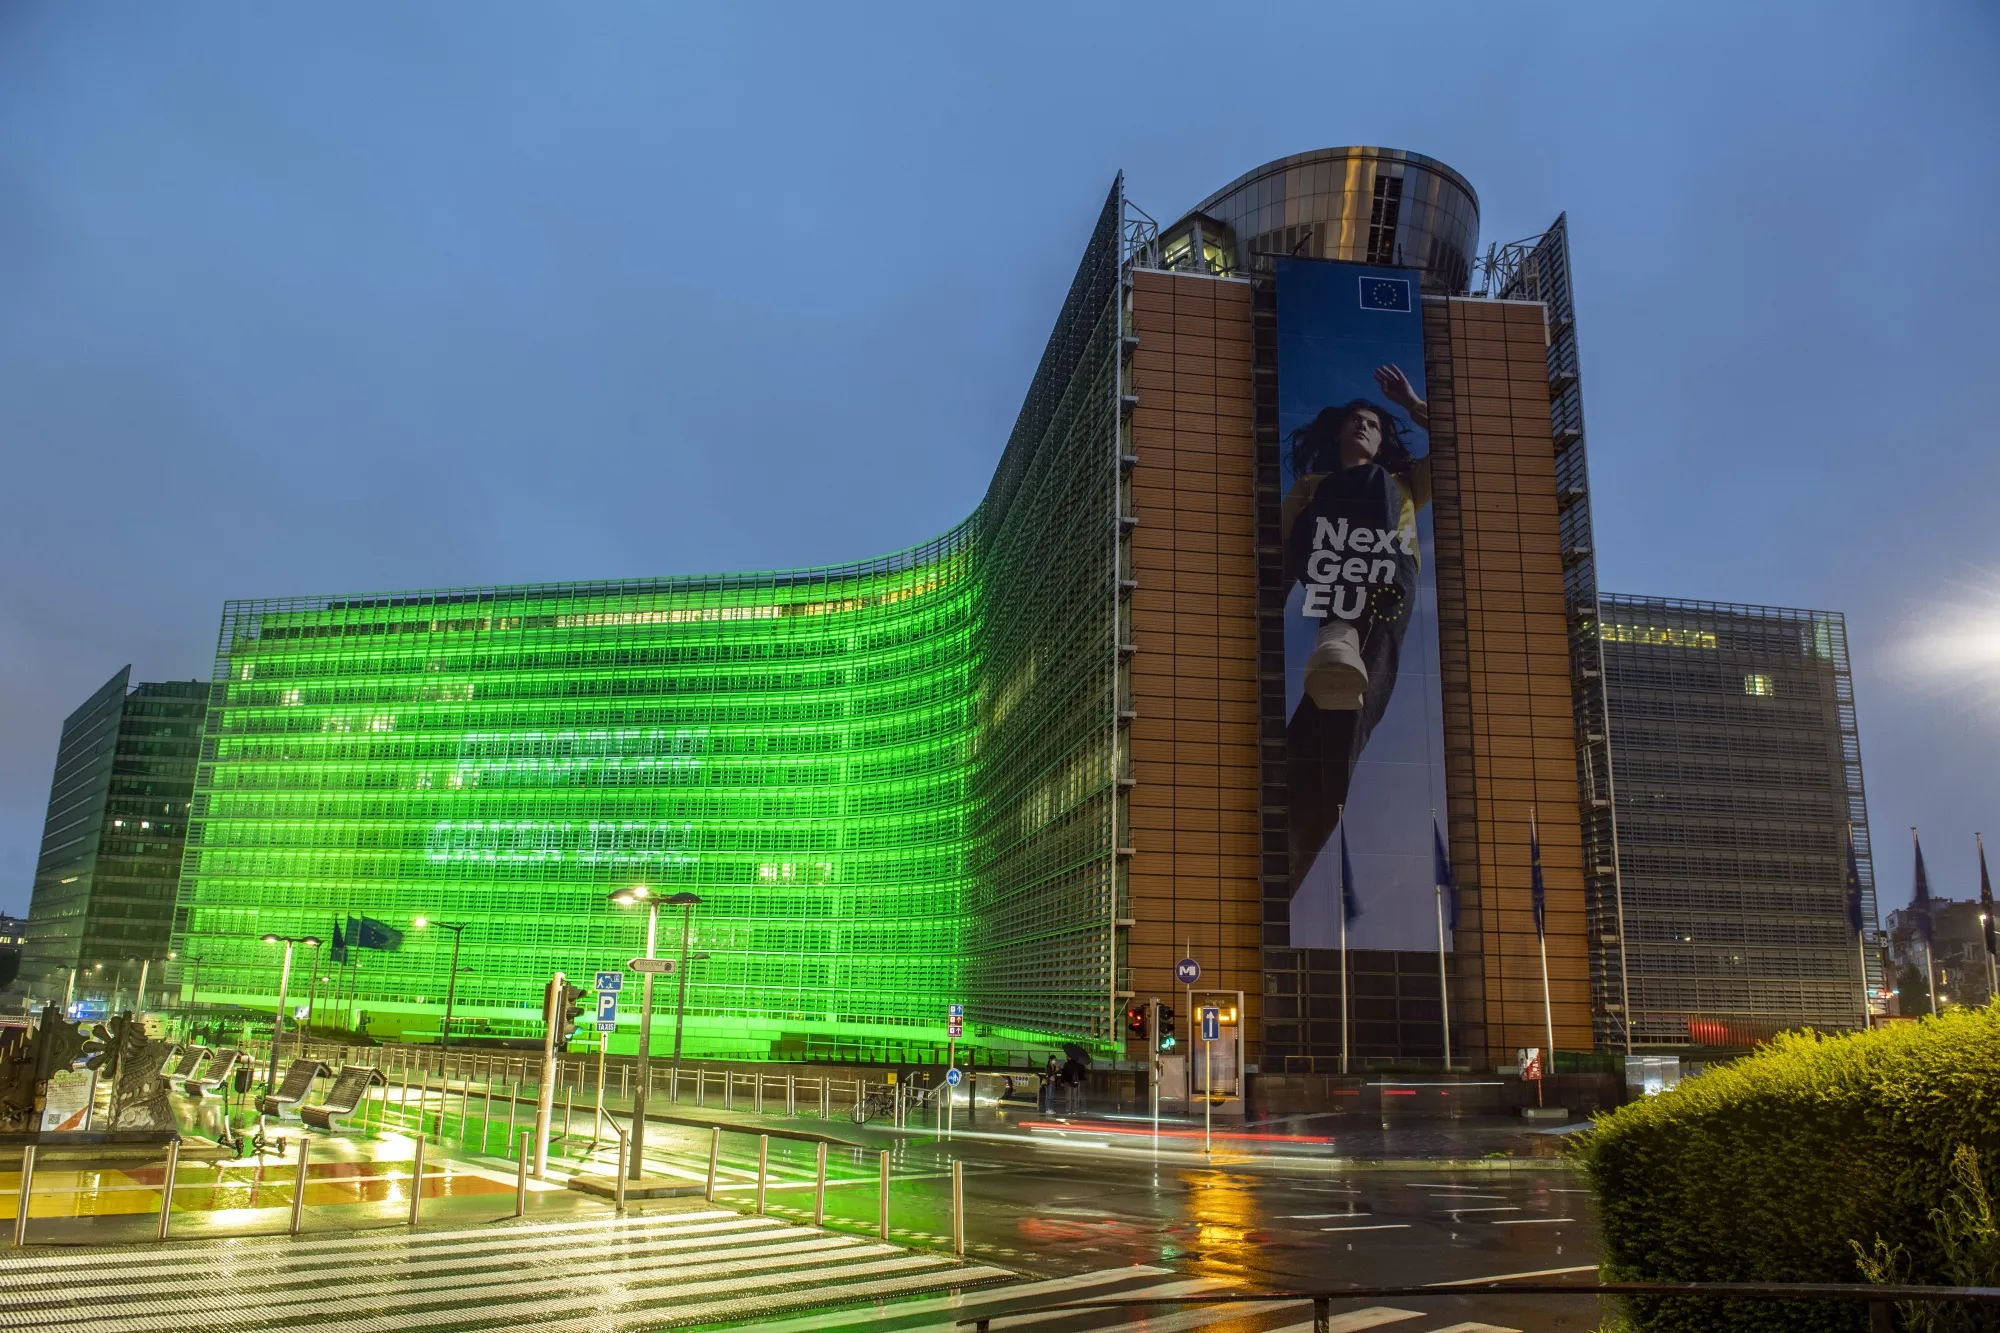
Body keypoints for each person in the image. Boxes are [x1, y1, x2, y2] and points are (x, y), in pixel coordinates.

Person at [1280, 364, 1431, 889]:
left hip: (1387, 583)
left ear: (1384, 439)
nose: (1364, 427)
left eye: (1374, 424)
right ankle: (1340, 630)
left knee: (1345, 726)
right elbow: (1276, 553)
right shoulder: (1313, 486)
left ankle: (1287, 856)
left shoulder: (1403, 484)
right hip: (1328, 567)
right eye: (1356, 421)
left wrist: (1412, 403)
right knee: (1318, 743)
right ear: (1339, 432)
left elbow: (1464, 443)